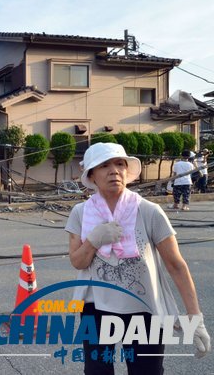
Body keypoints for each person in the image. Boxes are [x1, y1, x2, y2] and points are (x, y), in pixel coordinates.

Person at [65, 142, 210, 374]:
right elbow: (78, 262)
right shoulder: (80, 213)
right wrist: (93, 241)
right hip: (95, 309)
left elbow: (176, 266)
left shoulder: (149, 211)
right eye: (104, 165)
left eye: (120, 163)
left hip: (144, 310)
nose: (114, 170)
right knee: (97, 371)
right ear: (91, 175)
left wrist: (196, 317)